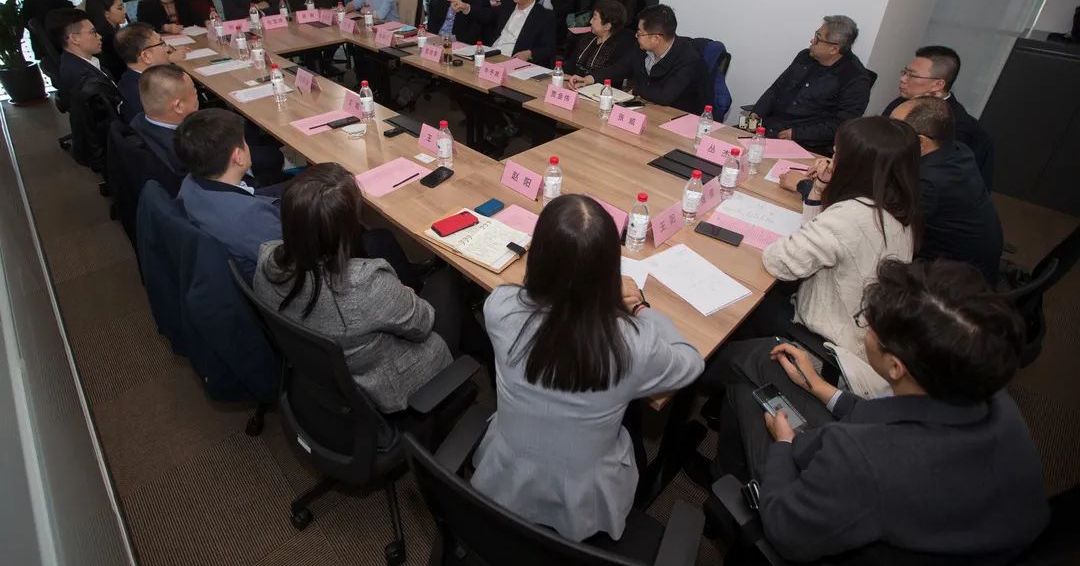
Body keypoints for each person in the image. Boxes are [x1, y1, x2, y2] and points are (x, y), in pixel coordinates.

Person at [710, 259, 1047, 563]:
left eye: (869, 326)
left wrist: (783, 445)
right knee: (763, 363)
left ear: (896, 366)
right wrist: (819, 386)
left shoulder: (864, 460)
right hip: (929, 522)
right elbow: (894, 416)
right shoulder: (991, 397)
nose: (866, 329)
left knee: (746, 393)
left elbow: (788, 533)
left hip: (834, 529)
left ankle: (725, 498)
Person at [470, 194, 704, 543]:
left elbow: (548, 322)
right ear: (610, 271)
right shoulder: (630, 344)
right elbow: (691, 362)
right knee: (633, 410)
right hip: (583, 497)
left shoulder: (499, 307)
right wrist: (639, 308)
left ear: (538, 256)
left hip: (506, 473)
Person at [254, 162, 463, 434]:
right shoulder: (366, 284)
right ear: (347, 228)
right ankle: (474, 361)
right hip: (385, 384)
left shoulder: (266, 260)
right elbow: (423, 324)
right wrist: (400, 295)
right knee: (448, 281)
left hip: (327, 371)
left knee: (383, 242)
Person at [763, 116, 918, 359]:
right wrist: (818, 188)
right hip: (862, 336)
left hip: (828, 345)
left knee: (739, 322)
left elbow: (778, 262)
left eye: (836, 155)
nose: (829, 161)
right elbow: (816, 231)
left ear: (855, 166)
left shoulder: (852, 215)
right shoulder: (896, 207)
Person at [890, 97, 1003, 283]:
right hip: (966, 265)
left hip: (953, 283)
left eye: (893, 130)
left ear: (920, 143)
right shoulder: (957, 150)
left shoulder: (930, 182)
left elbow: (885, 223)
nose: (885, 134)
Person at [173, 108, 283, 283]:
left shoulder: (189, 183)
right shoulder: (249, 216)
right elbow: (290, 260)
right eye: (244, 142)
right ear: (238, 157)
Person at [752, 16, 872, 155]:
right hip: (769, 128)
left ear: (834, 49)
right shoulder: (805, 56)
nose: (812, 41)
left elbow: (842, 125)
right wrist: (757, 113)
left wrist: (797, 134)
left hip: (806, 144)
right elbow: (776, 89)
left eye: (818, 38)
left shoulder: (855, 79)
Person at [881, 45, 995, 189]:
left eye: (912, 75)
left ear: (938, 84)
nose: (903, 79)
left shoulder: (955, 125)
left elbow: (930, 175)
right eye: (904, 72)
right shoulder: (902, 102)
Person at [569, 4, 710, 113]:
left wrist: (637, 91)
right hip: (646, 109)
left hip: (678, 118)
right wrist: (590, 78)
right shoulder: (642, 47)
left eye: (640, 33)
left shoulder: (688, 58)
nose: (636, 36)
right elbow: (621, 68)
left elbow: (666, 96)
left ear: (656, 38)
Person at [48, 8, 120, 171]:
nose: (99, 36)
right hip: (112, 147)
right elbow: (116, 119)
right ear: (75, 38)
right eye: (93, 32)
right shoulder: (86, 80)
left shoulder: (73, 62)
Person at [130, 63, 200, 176]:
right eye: (195, 93)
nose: (197, 98)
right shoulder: (183, 152)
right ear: (178, 106)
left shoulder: (138, 120)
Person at [114, 23, 186, 123]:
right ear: (146, 56)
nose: (167, 49)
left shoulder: (129, 79)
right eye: (161, 43)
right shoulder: (149, 94)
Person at [487, 0, 555, 67]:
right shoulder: (506, 7)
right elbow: (486, 15)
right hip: (490, 55)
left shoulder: (544, 16)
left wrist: (529, 53)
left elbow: (548, 49)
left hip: (512, 61)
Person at [562, 0, 635, 79]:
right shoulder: (587, 37)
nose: (590, 21)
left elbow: (610, 75)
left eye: (594, 18)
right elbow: (571, 63)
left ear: (607, 26)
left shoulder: (617, 48)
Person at [84, 0, 128, 81]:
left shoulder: (105, 35)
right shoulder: (109, 41)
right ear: (106, 13)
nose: (125, 11)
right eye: (120, 8)